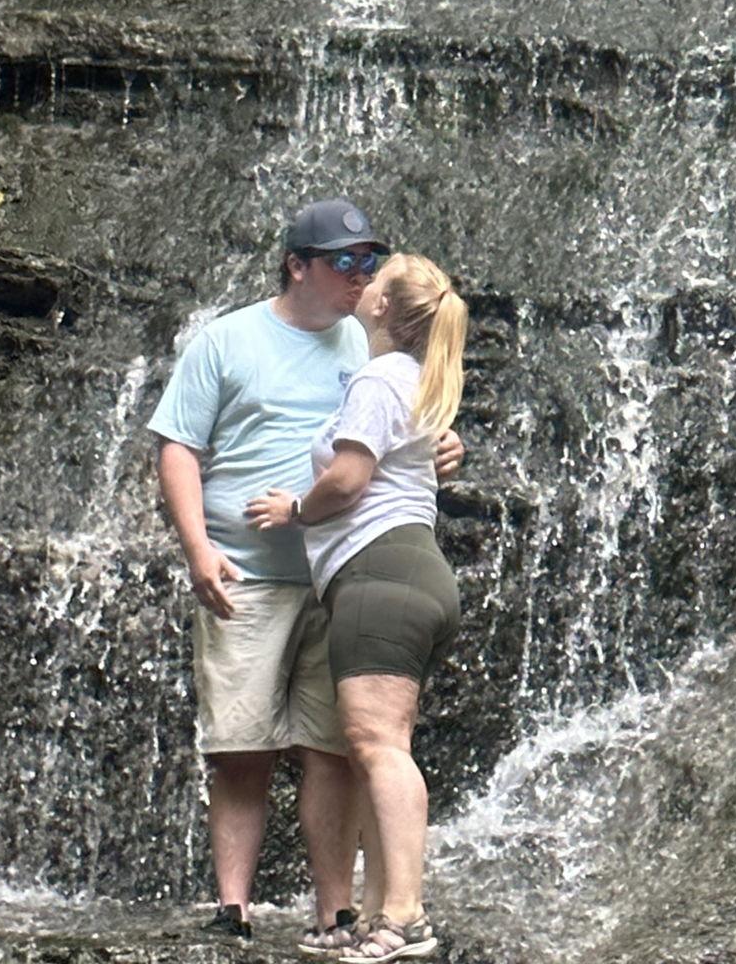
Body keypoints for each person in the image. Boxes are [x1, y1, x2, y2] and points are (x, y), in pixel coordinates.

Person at [146, 201, 464, 947]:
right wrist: (197, 549)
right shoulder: (227, 340)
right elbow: (177, 446)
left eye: (368, 263)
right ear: (298, 264)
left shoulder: (371, 345)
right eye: (343, 261)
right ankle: (234, 908)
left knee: (336, 749)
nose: (358, 276)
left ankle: (337, 912)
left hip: (341, 580)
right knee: (241, 743)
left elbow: (411, 421)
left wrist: (445, 448)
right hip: (246, 572)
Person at [244, 254, 469, 964]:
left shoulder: (379, 376)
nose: (363, 278)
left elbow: (347, 478)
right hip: (407, 574)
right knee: (375, 748)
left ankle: (404, 916)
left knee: (377, 745)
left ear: (380, 308)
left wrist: (295, 509)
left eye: (376, 275)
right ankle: (378, 914)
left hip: (381, 572)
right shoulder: (417, 378)